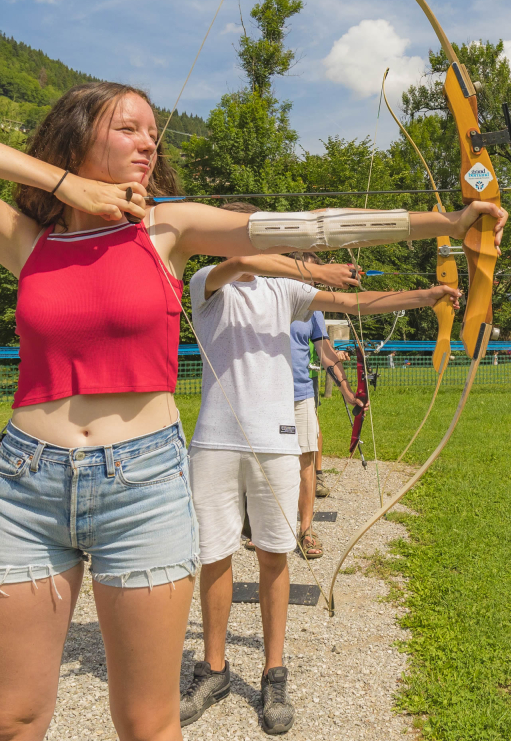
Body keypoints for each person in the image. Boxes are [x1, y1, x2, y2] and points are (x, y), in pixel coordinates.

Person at [0, 80, 505, 741]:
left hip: (141, 487)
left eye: (154, 131)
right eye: (128, 127)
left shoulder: (166, 229)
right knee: (11, 717)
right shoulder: (25, 240)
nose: (148, 141)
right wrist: (68, 187)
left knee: (147, 722)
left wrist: (447, 223)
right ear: (75, 135)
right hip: (25, 485)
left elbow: (311, 226)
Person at [178, 238, 458, 733]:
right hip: (215, 443)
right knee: (214, 554)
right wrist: (319, 269)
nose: (251, 250)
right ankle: (215, 669)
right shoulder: (207, 284)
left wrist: (426, 295)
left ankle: (273, 673)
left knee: (274, 555)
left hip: (277, 442)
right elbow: (241, 263)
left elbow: (357, 303)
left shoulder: (284, 292)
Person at [289, 251, 359, 550]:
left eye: (317, 276)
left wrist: (347, 391)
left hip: (300, 392)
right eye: (310, 275)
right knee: (269, 462)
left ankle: (306, 530)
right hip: (266, 394)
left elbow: (326, 352)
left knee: (306, 461)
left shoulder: (314, 307)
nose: (313, 281)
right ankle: (267, 526)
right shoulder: (272, 297)